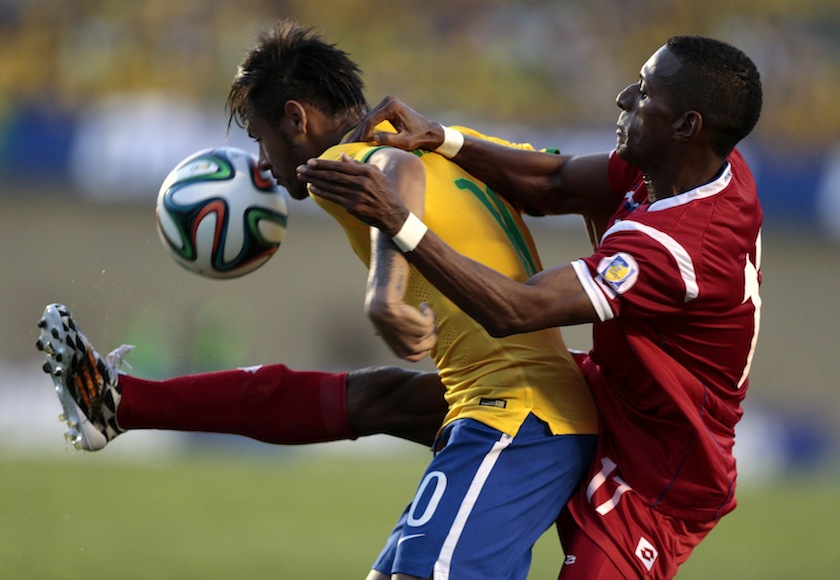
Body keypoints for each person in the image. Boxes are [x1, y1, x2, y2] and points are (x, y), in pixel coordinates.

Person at [36, 20, 597, 580]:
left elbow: (393, 174)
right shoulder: (445, 143)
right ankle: (120, 404)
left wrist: (385, 294)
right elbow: (542, 176)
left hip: (519, 416)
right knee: (378, 398)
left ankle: (122, 405)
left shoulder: (353, 159)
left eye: (259, 137)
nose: (261, 161)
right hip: (527, 399)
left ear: (296, 119)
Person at [297, 35, 763, 579]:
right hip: (612, 402)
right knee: (386, 399)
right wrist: (445, 139)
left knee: (399, 400)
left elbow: (515, 310)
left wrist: (400, 222)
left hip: (657, 474)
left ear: (687, 126)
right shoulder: (683, 169)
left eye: (644, 91)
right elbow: (557, 185)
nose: (623, 97)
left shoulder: (672, 245)